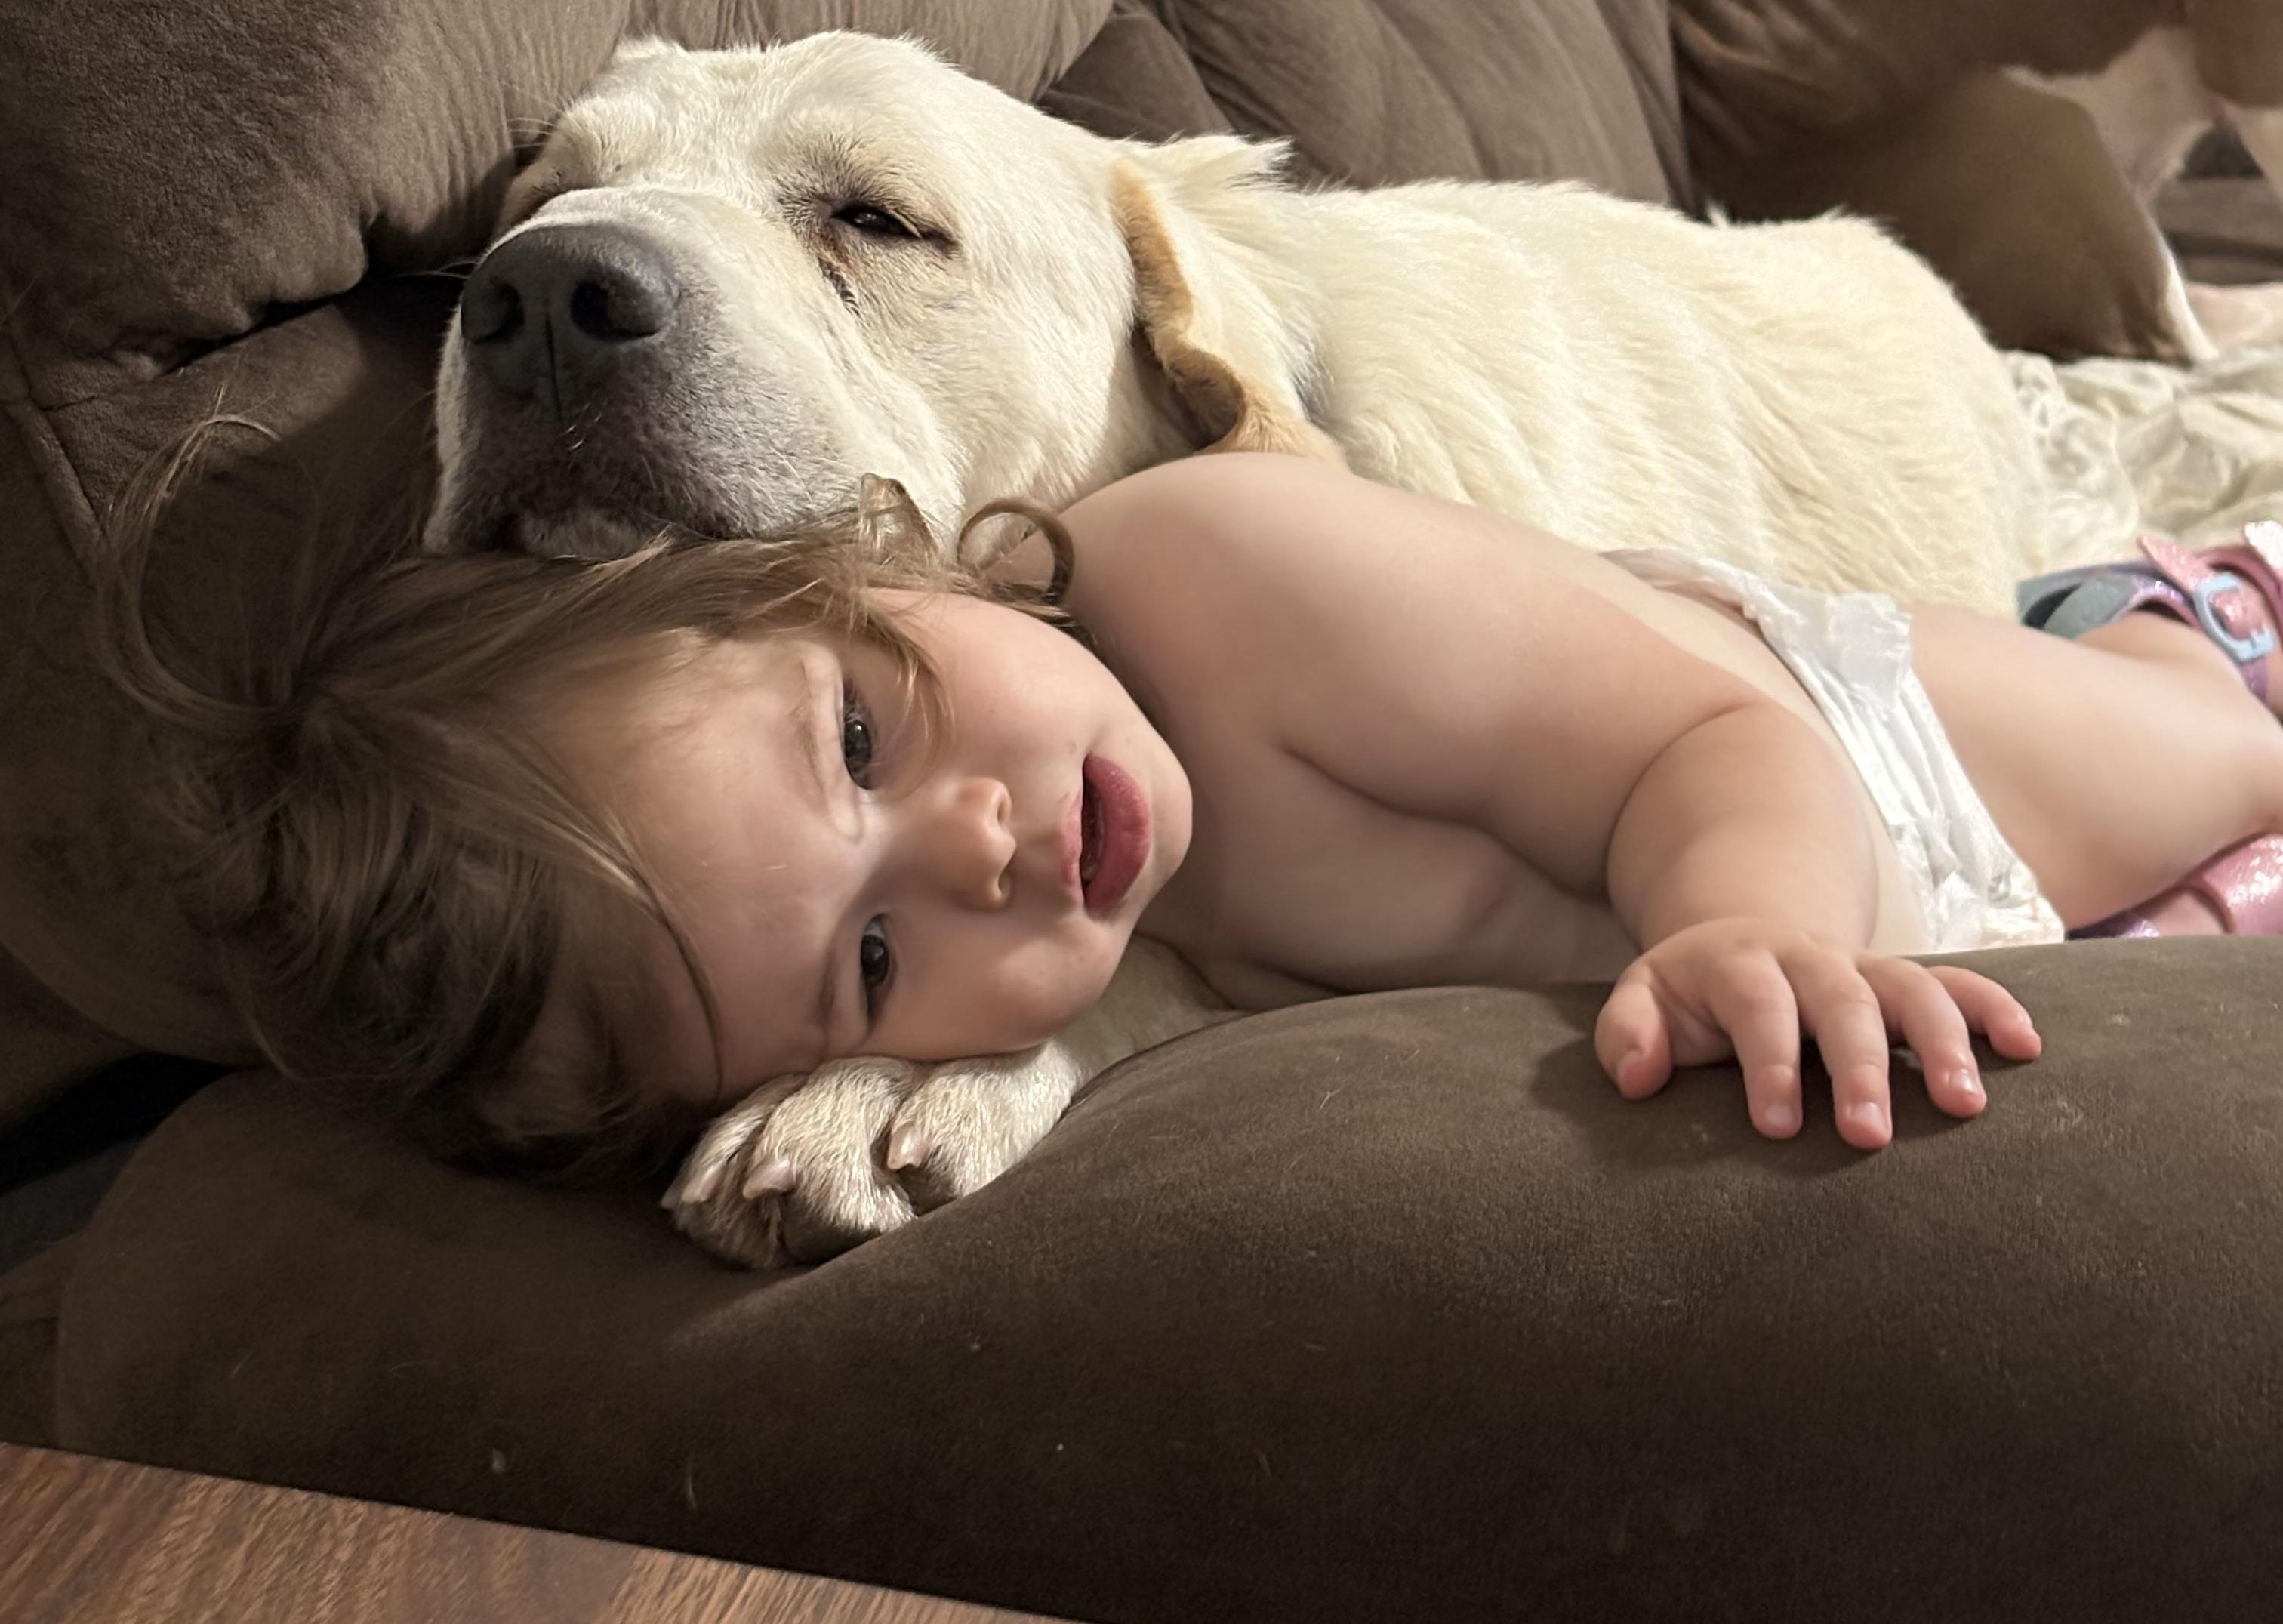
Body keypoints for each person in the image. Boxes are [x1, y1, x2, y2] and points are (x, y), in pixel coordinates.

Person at [99, 443, 2283, 1183]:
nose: (976, 851)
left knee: (2203, 746)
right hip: (1968, 900)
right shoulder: (1110, 951)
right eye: (872, 963)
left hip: (1989, 743)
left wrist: (1747, 928)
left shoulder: (1225, 579)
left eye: (861, 740)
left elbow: (1710, 753)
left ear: (859, 569)